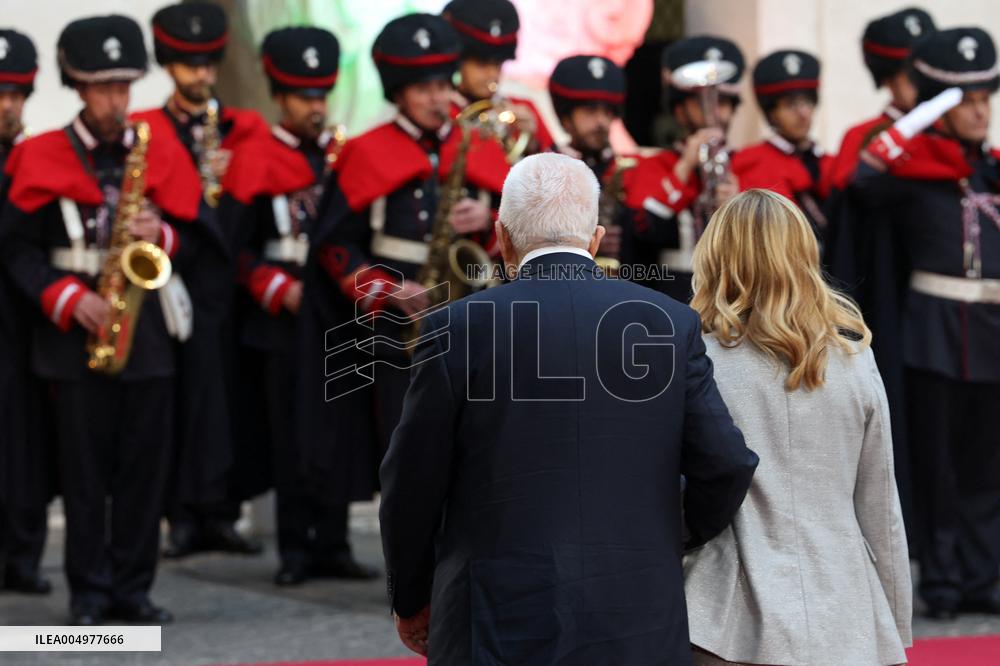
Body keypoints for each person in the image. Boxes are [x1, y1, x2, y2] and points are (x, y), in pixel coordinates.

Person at [379, 153, 758, 664]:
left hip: (495, 615)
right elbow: (727, 463)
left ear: (503, 237)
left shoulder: (460, 327)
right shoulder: (669, 324)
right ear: (595, 239)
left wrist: (409, 595)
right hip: (637, 611)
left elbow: (412, 482)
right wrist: (668, 535)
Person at [0, 14, 203, 625]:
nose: (116, 99)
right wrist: (65, 298)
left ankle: (134, 591)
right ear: (77, 88)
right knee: (84, 477)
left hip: (148, 341)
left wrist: (161, 232)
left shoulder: (156, 148)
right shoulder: (40, 156)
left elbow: (196, 235)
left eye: (124, 86)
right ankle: (88, 594)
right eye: (102, 87)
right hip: (70, 339)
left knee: (144, 472)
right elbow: (15, 250)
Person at [297, 13, 510, 538]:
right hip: (397, 326)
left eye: (444, 85)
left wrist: (490, 220)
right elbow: (333, 246)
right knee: (406, 444)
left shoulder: (478, 144)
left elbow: (513, 240)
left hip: (469, 314)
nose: (439, 99)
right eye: (423, 89)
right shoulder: (366, 151)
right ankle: (410, 559)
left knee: (472, 438)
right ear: (399, 92)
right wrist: (387, 289)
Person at [683, 189, 912, 666]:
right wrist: (892, 621)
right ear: (804, 255)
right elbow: (880, 505)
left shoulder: (697, 362)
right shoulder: (855, 361)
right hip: (844, 605)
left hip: (722, 615)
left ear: (716, 257)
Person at [848, 27, 1000, 620]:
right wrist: (924, 113)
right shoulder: (911, 172)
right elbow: (864, 175)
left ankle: (984, 576)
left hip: (991, 331)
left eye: (987, 98)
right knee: (937, 463)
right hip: (934, 331)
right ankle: (941, 577)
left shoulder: (990, 172)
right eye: (967, 100)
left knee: (988, 466)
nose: (981, 110)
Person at [220, 26, 373, 585]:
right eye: (304, 96)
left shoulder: (344, 155)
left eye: (321, 95)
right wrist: (270, 286)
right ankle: (294, 551)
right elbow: (230, 249)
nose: (315, 106)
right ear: (280, 98)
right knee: (290, 436)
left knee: (338, 431)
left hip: (337, 317)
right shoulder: (254, 157)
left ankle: (333, 543)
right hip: (279, 324)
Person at [134, 0, 267, 560]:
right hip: (173, 288)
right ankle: (181, 515)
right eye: (189, 63)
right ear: (169, 65)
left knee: (229, 401)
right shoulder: (148, 129)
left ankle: (222, 510)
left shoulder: (240, 128)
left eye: (209, 63)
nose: (201, 74)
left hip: (229, 287)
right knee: (180, 402)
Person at [626, 36, 746, 301]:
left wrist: (739, 205)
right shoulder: (656, 166)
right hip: (674, 295)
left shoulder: (747, 164)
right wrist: (683, 169)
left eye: (723, 103)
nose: (715, 112)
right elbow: (644, 230)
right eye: (702, 101)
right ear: (679, 112)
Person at [0, 27, 52, 596]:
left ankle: (23, 555)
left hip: (26, 325)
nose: (7, 106)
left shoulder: (39, 161)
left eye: (16, 94)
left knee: (25, 444)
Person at [825, 7, 936, 194]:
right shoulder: (860, 136)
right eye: (910, 72)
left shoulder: (951, 129)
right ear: (887, 77)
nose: (921, 80)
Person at [547, 54, 641, 272]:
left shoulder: (624, 168)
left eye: (608, 112)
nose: (602, 121)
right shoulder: (542, 168)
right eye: (590, 111)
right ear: (565, 117)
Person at [739, 50, 832, 238]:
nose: (803, 113)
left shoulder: (830, 161)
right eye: (791, 104)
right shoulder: (751, 161)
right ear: (771, 113)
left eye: (807, 102)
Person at [441, 0, 553, 154]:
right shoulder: (440, 111)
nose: (492, 74)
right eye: (481, 64)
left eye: (498, 64)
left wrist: (534, 145)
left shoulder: (524, 110)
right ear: (459, 61)